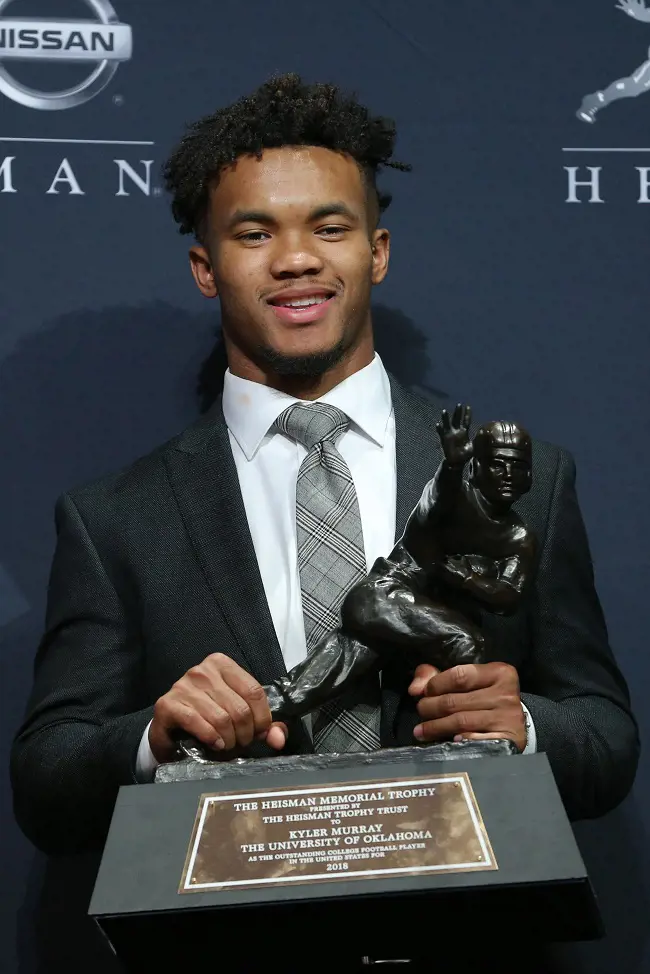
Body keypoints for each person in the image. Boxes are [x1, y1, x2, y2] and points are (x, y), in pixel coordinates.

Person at [11, 73, 638, 858]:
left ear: (376, 252)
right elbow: (45, 782)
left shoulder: (526, 479)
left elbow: (608, 741)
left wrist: (529, 727)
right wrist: (157, 740)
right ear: (205, 268)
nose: (297, 259)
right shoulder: (115, 519)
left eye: (329, 228)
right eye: (254, 234)